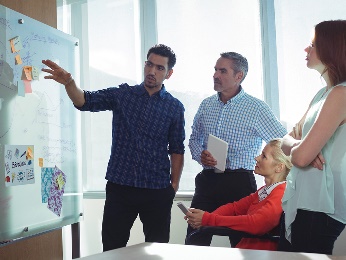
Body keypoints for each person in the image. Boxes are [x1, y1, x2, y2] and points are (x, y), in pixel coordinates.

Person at [41, 44, 185, 251]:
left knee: (158, 249)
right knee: (112, 248)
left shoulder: (175, 107)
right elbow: (85, 101)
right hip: (121, 187)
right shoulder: (123, 95)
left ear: (169, 73)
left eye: (159, 68)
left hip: (156, 189)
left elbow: (177, 149)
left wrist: (173, 186)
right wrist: (69, 83)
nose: (152, 71)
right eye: (149, 65)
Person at [186, 51, 287, 246]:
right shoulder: (206, 105)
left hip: (238, 183)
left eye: (222, 71)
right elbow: (193, 139)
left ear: (238, 76)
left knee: (242, 242)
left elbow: (281, 141)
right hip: (207, 181)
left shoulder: (256, 108)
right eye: (215, 70)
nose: (216, 75)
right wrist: (201, 154)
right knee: (195, 236)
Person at [278, 20, 346, 255]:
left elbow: (300, 158)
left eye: (312, 45)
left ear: (332, 48)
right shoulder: (323, 94)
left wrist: (301, 151)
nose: (305, 50)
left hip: (320, 207)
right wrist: (300, 146)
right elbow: (285, 140)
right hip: (306, 200)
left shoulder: (341, 93)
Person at [185, 138, 292, 251]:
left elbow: (256, 223)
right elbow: (234, 208)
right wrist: (203, 218)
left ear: (279, 167)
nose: (257, 158)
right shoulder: (264, 191)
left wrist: (208, 219)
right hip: (247, 250)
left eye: (264, 156)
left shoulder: (281, 192)